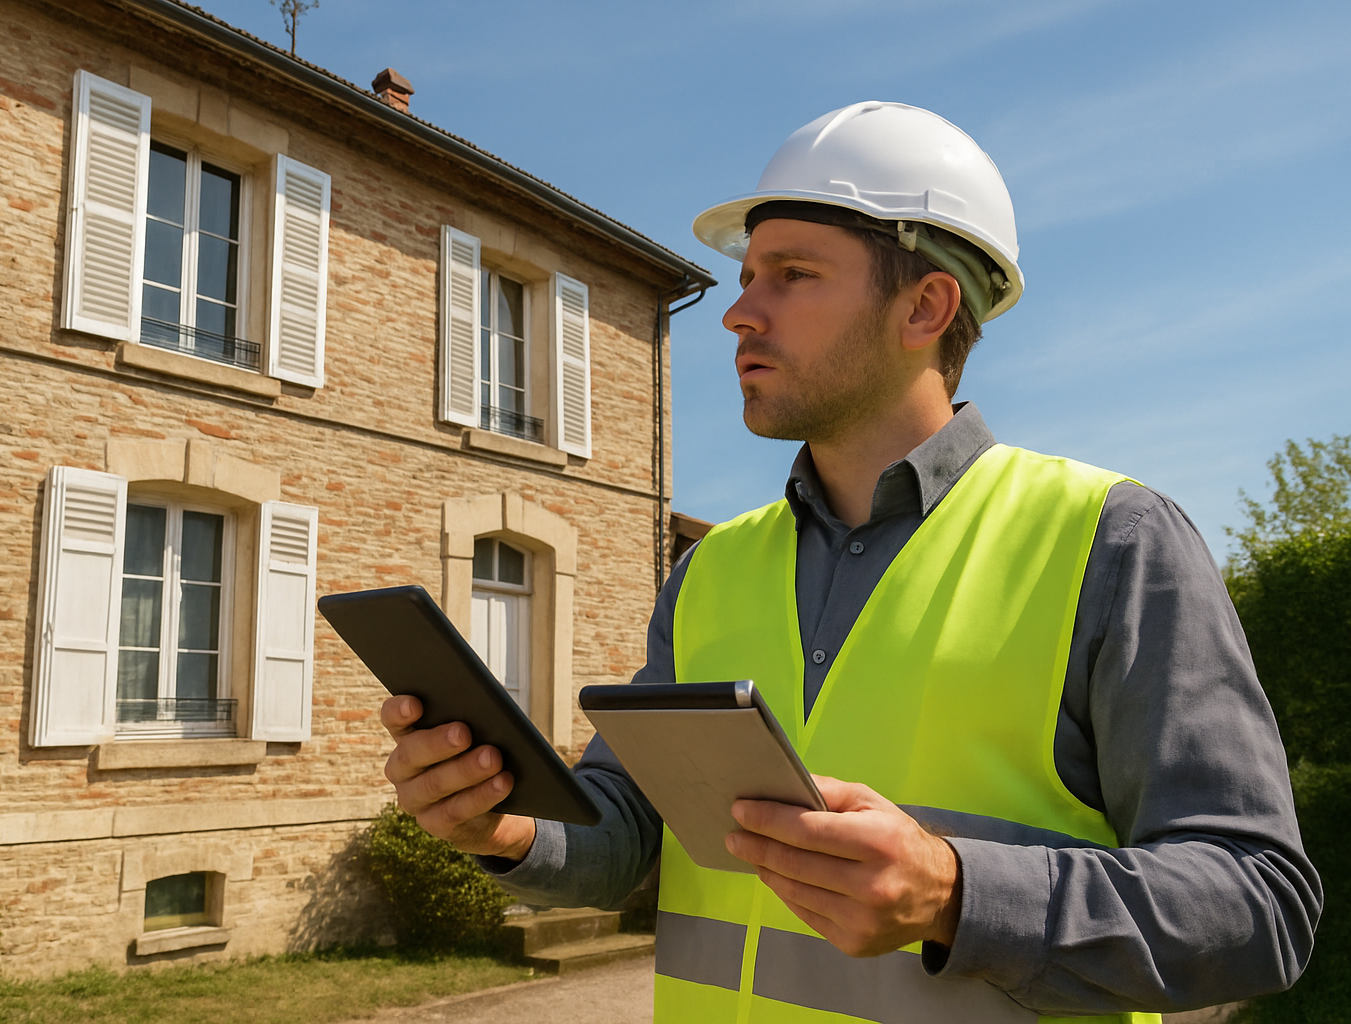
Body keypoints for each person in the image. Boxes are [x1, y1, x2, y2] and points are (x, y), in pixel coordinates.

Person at [379, 102, 1320, 1022]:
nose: (737, 314)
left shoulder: (1112, 541)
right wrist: (504, 826)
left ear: (925, 306)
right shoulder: (710, 569)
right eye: (747, 277)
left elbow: (1259, 906)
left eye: (792, 275)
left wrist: (956, 894)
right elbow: (631, 831)